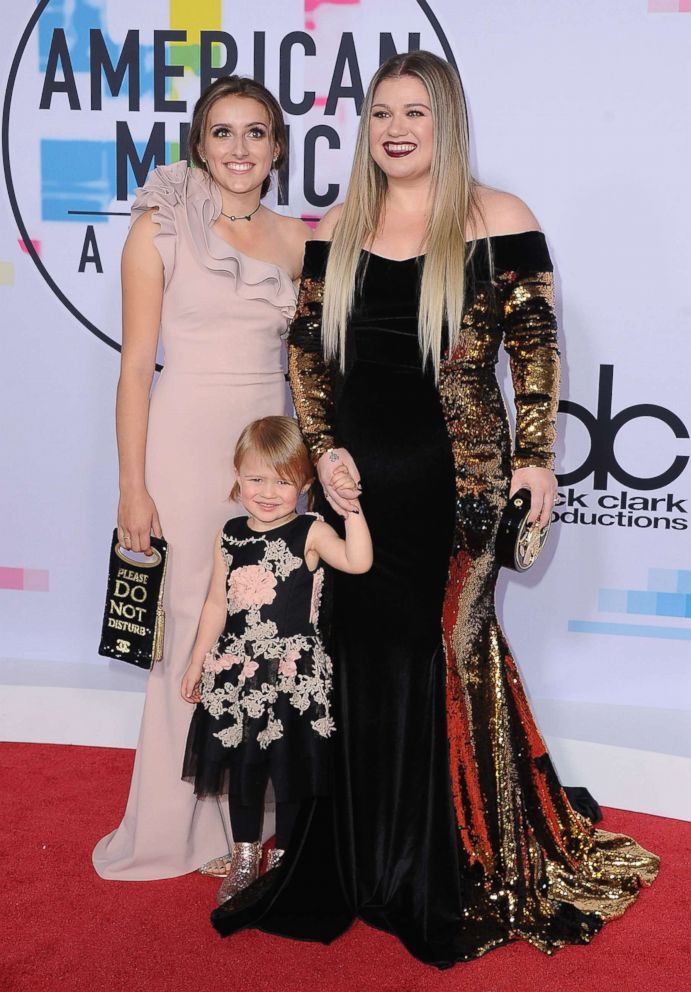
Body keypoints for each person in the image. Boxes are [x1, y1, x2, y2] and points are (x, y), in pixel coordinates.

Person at [210, 52, 659, 965]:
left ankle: (461, 858)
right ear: (364, 129)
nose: (396, 129)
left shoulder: (498, 218)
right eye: (380, 114)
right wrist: (325, 451)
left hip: (461, 491)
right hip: (354, 491)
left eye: (414, 111)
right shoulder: (336, 226)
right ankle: (365, 856)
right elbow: (309, 362)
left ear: (444, 119)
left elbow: (536, 351)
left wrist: (538, 460)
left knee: (446, 655)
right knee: (355, 656)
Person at [93, 77, 311, 881]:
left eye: (256, 133)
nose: (239, 149)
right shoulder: (161, 228)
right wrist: (131, 486)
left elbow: (313, 371)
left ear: (278, 146)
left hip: (268, 451)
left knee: (263, 630)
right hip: (183, 448)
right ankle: (174, 825)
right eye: (223, 132)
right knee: (191, 624)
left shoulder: (298, 240)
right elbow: (133, 371)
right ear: (199, 142)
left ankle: (250, 817)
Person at [179, 416, 372, 904]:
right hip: (236, 676)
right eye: (256, 479)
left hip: (292, 678)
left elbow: (358, 562)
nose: (268, 492)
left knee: (289, 775)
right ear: (237, 476)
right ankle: (246, 857)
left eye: (283, 481)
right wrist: (196, 662)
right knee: (242, 769)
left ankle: (285, 859)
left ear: (305, 484)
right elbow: (215, 605)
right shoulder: (230, 534)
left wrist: (351, 511)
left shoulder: (310, 531)